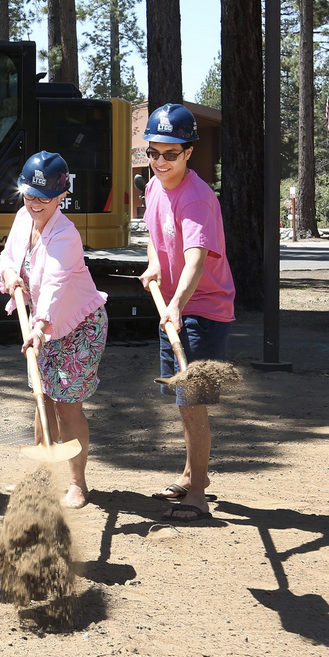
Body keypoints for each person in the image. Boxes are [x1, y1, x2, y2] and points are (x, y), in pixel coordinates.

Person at [139, 103, 235, 522]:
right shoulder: (153, 186)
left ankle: (196, 492)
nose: (160, 162)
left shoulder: (197, 198)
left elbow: (196, 258)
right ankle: (193, 474)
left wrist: (177, 304)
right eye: (153, 152)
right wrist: (155, 264)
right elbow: (153, 234)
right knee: (182, 400)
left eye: (170, 154)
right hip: (175, 304)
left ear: (189, 152)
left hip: (203, 309)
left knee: (192, 400)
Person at [0, 151, 108, 509]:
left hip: (77, 326)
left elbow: (57, 284)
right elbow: (8, 257)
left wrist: (40, 326)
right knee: (41, 401)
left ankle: (77, 484)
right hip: (42, 327)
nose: (35, 203)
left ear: (62, 196)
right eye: (29, 194)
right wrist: (10, 273)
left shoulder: (66, 236)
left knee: (66, 406)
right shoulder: (22, 218)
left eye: (44, 197)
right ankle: (43, 479)